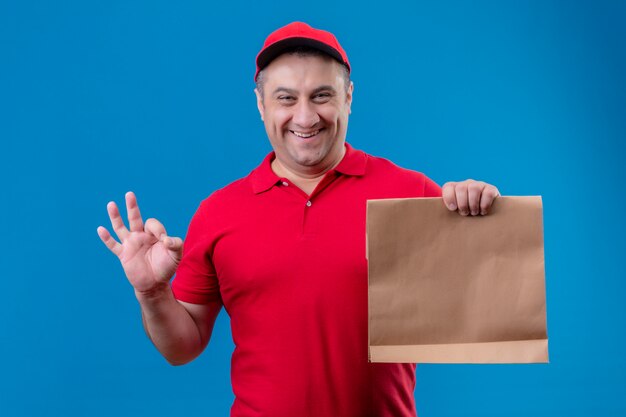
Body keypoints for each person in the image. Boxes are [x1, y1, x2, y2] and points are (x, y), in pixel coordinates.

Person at [97, 22, 500, 417]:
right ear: (261, 105)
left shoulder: (411, 194)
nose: (305, 117)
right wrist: (152, 294)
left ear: (348, 97)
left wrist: (480, 213)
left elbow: (489, 297)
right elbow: (182, 348)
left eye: (321, 96)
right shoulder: (218, 212)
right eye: (286, 99)